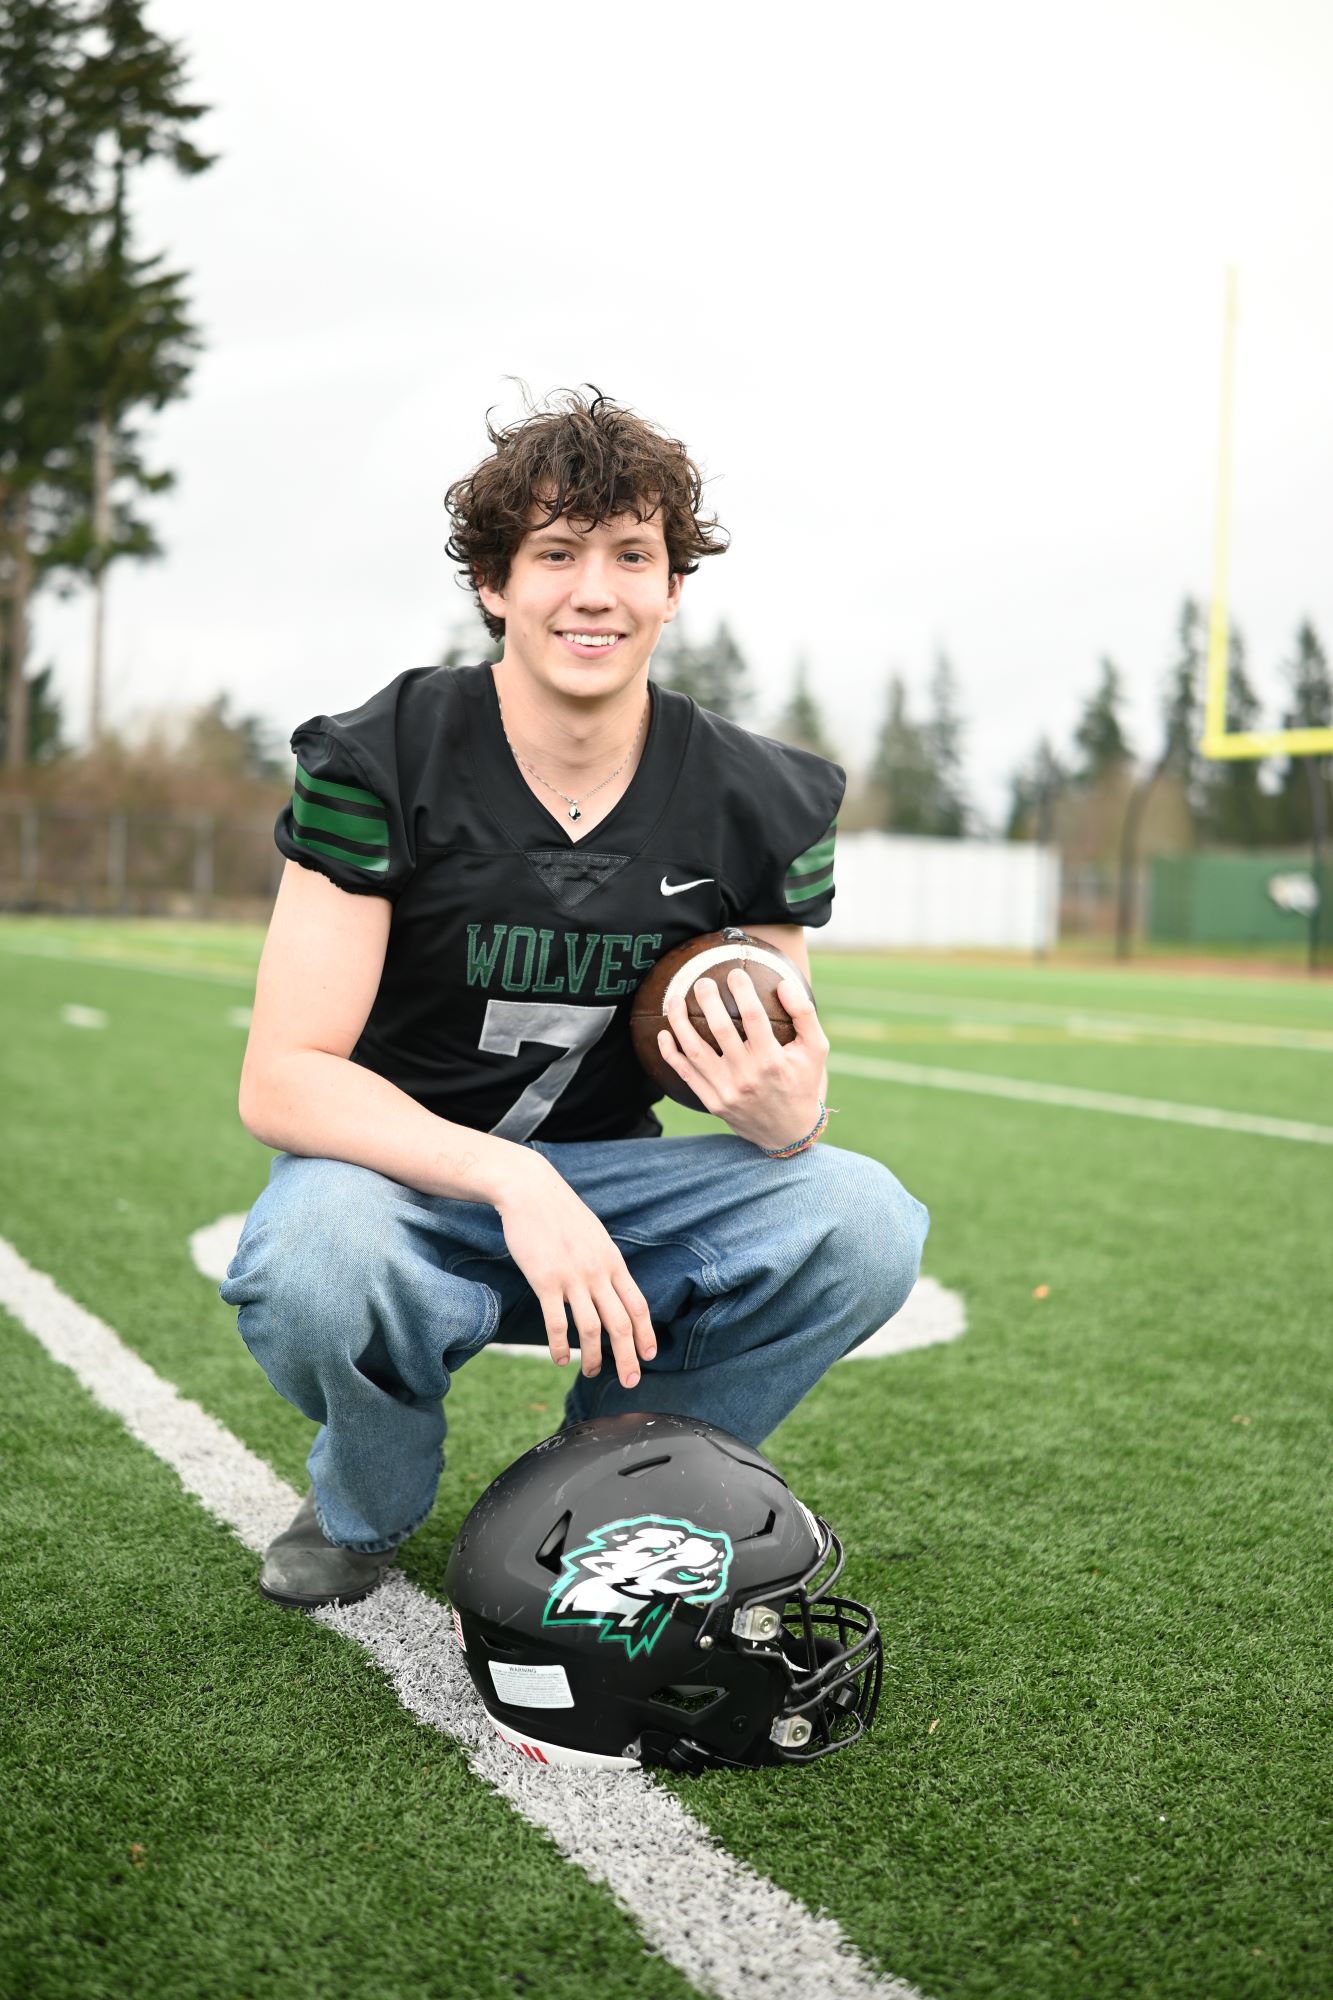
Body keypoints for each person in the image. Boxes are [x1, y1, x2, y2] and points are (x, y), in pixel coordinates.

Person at [220, 388, 929, 1609]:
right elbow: (281, 1074)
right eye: (555, 552)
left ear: (670, 589)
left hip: (618, 1190)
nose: (592, 590)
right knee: (315, 1257)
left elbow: (787, 1077)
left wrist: (786, 1112)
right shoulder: (384, 754)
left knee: (862, 1216)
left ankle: (607, 1477)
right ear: (495, 583)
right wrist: (508, 1175)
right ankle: (366, 1499)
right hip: (404, 1185)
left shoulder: (758, 797)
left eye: (629, 555)